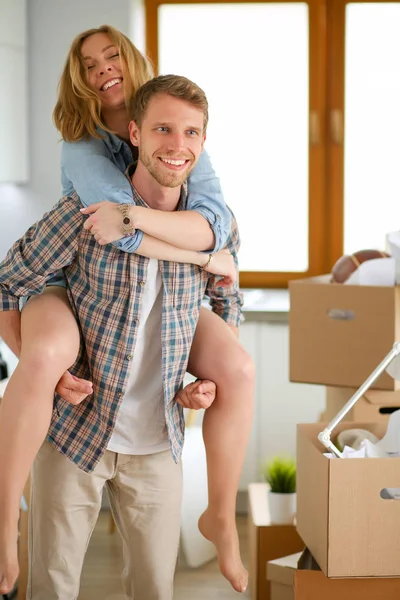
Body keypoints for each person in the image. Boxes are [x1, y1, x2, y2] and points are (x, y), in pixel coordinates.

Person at [0, 26, 254, 595]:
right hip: (77, 433)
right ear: (135, 134)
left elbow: (227, 299)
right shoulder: (86, 202)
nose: (176, 143)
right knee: (52, 589)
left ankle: (220, 523)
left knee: (154, 592)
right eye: (162, 129)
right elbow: (8, 283)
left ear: (204, 142)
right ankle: (2, 522)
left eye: (190, 132)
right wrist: (45, 368)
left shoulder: (216, 223)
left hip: (158, 439)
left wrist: (202, 382)